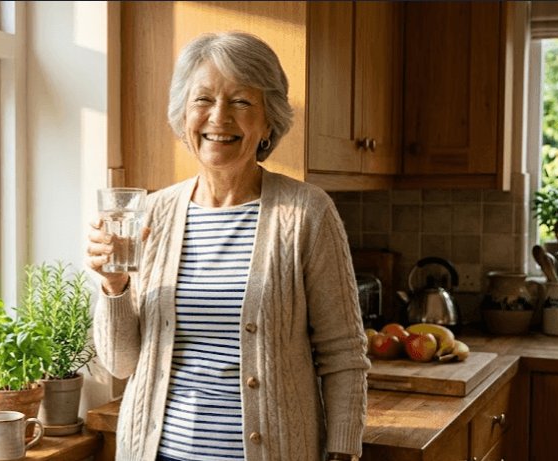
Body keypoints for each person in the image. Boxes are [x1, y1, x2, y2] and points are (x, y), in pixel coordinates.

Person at [86, 31, 369, 461]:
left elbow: (344, 354)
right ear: (184, 117)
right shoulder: (152, 214)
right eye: (203, 100)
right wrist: (114, 286)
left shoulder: (306, 213)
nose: (219, 117)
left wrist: (344, 450)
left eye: (241, 101)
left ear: (268, 120)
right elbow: (121, 364)